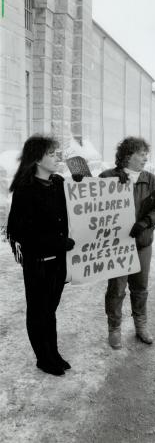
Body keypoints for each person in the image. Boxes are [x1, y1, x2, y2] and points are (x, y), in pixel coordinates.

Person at [6, 135, 75, 376]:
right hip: (38, 263)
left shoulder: (58, 182)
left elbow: (83, 193)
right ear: (37, 159)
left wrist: (84, 179)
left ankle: (53, 353)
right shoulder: (25, 190)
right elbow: (18, 231)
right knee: (38, 311)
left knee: (50, 310)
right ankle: (43, 358)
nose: (58, 158)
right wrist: (57, 242)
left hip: (58, 262)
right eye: (52, 154)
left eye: (58, 153)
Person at [99, 137, 155, 349]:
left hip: (142, 243)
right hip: (117, 245)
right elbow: (88, 202)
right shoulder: (107, 177)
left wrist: (146, 221)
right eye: (141, 154)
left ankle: (141, 324)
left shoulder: (152, 181)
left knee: (140, 287)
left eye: (146, 154)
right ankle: (114, 329)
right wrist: (81, 180)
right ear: (127, 155)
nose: (145, 158)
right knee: (117, 289)